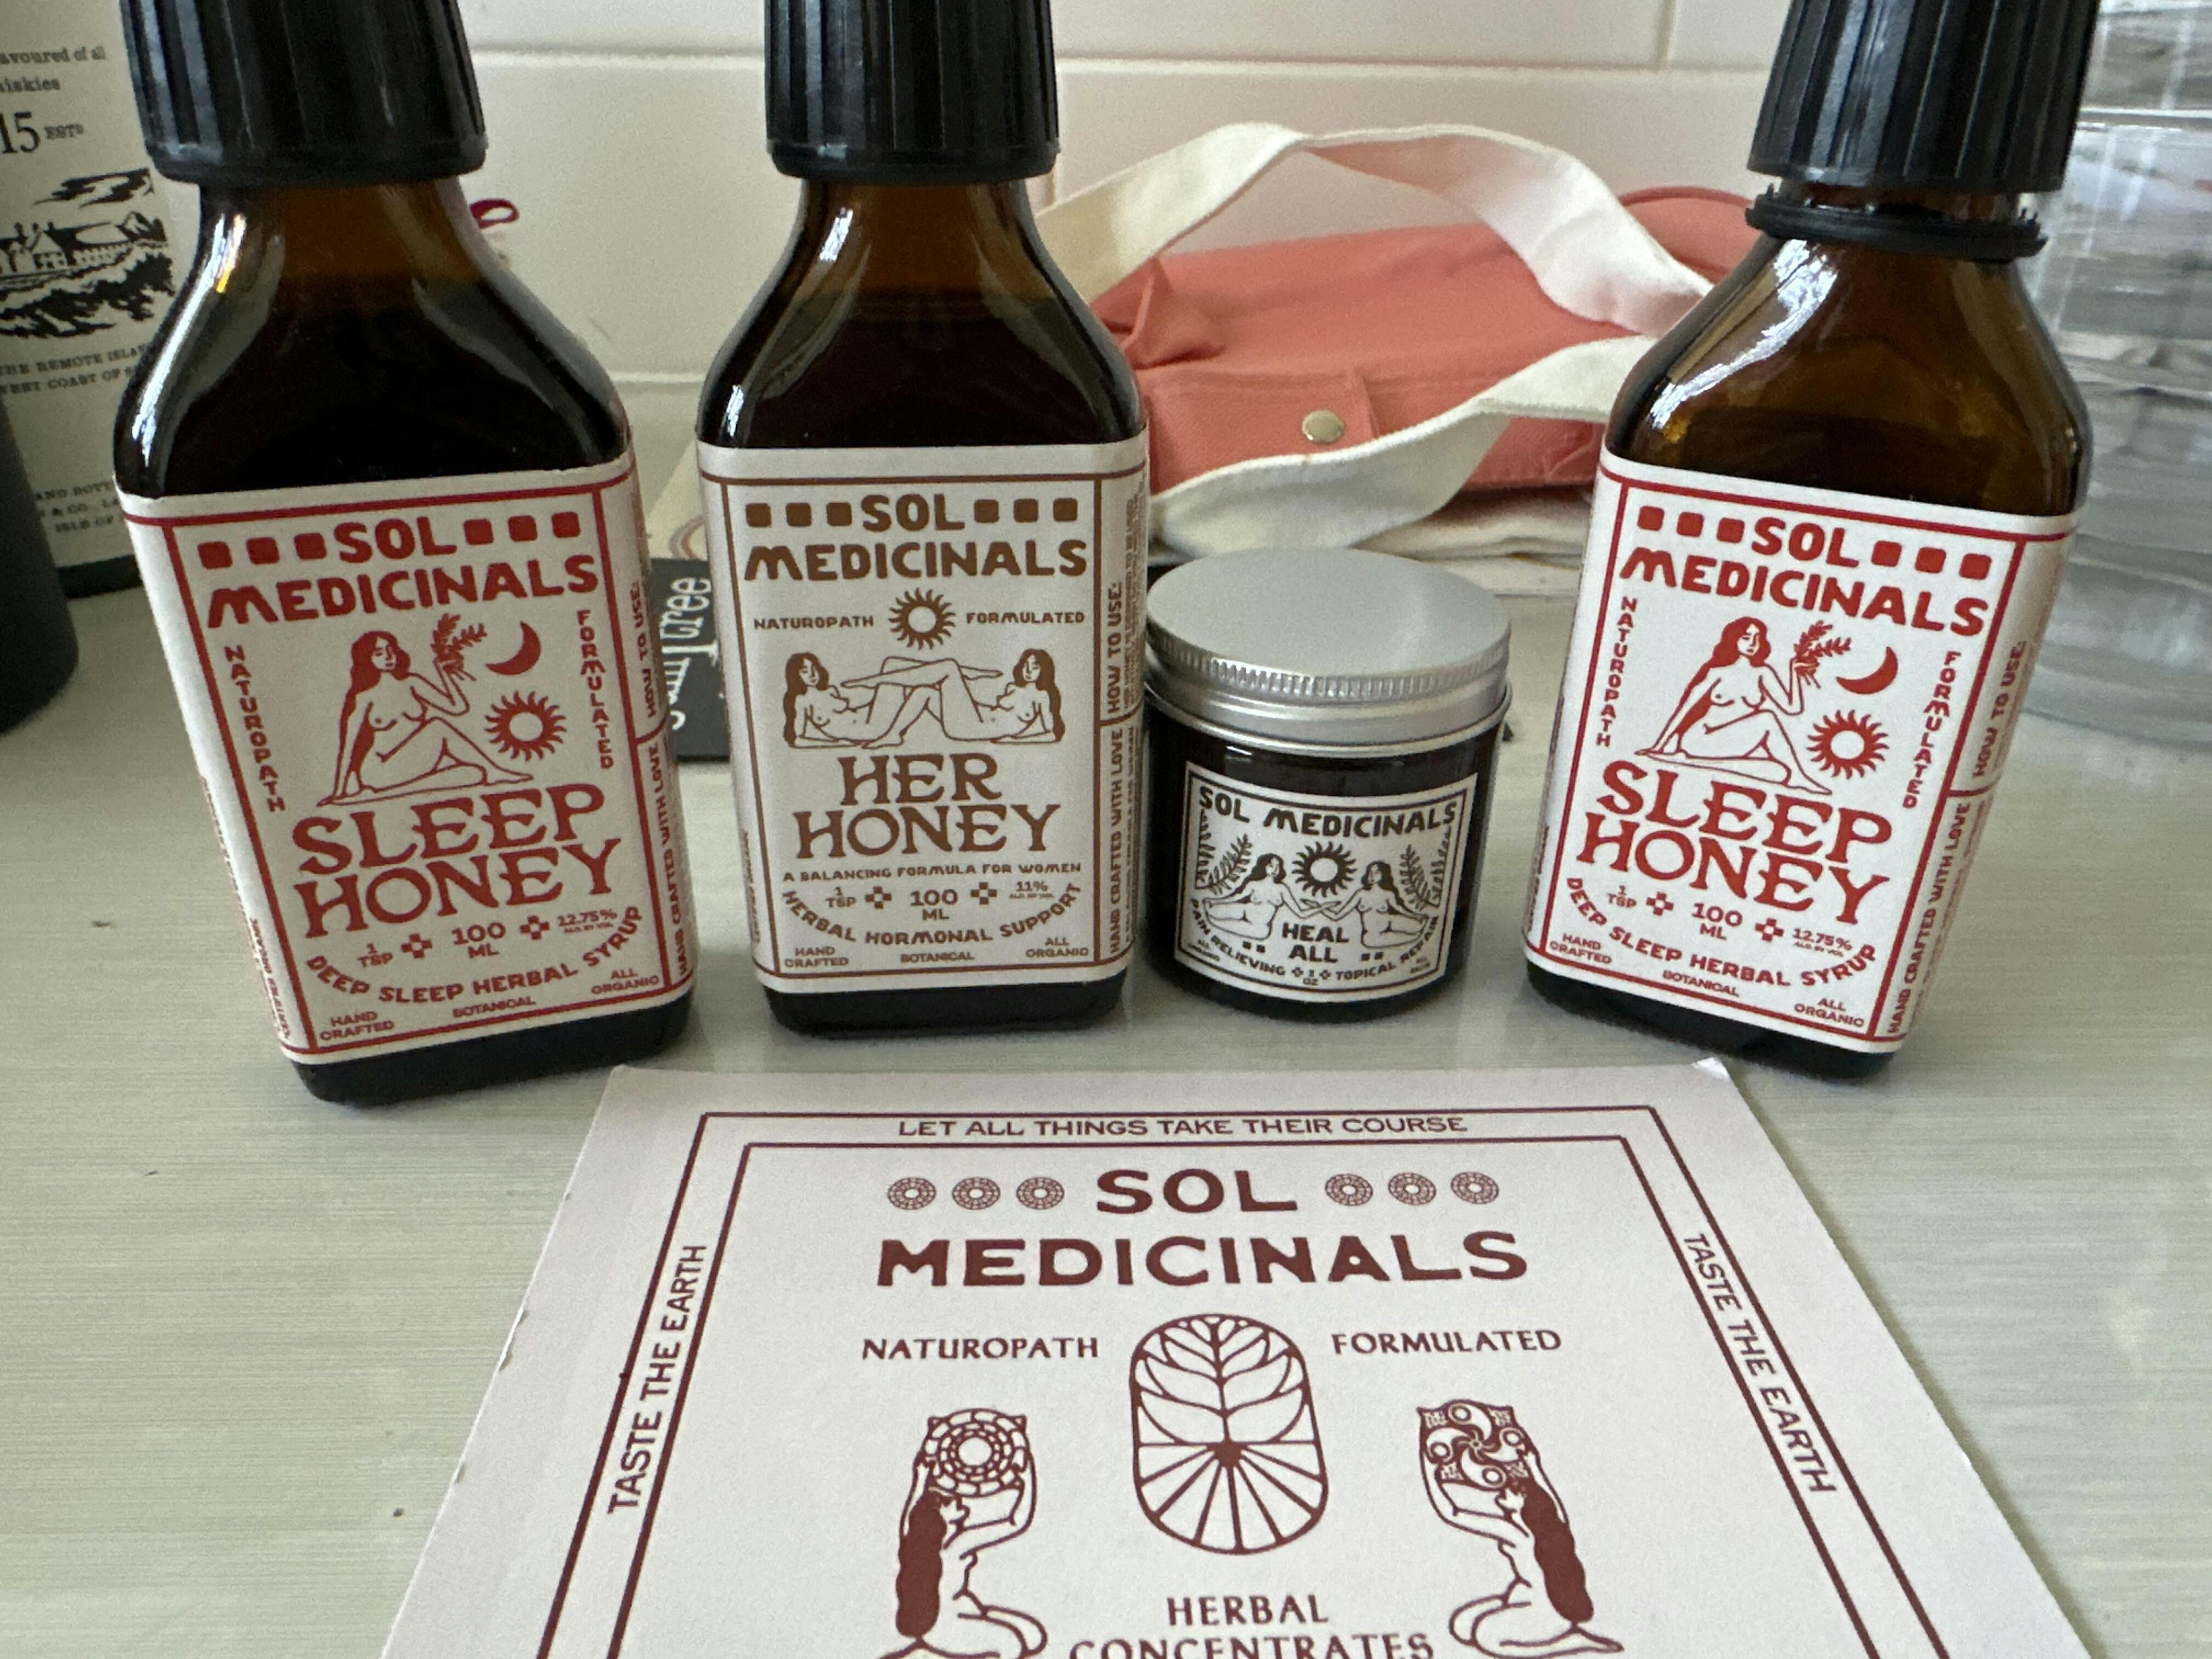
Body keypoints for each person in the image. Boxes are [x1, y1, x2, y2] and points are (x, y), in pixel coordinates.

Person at [1419, 1404, 1620, 1659]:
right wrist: (1534, 1465)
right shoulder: (1551, 1525)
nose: (1504, 1491)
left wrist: (1431, 1472)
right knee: (1461, 1626)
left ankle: (1575, 1641)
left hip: (1547, 1610)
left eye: (1512, 1491)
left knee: (1486, 1638)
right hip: (1523, 1597)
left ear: (1524, 1502)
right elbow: (1553, 1500)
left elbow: (1453, 1514)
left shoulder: (1518, 1534)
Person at [324, 629, 527, 803]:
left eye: (390, 650)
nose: (388, 656)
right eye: (379, 653)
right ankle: (495, 772)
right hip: (379, 770)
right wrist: (339, 792)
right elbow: (348, 746)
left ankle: (387, 794)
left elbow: (457, 708)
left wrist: (443, 673)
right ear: (367, 659)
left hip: (411, 762)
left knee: (475, 774)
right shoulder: (363, 698)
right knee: (437, 726)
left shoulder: (412, 683)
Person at [883, 1443, 1045, 1659]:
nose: (958, 1499)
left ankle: (920, 1651)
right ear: (938, 1515)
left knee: (1032, 1637)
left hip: (962, 1610)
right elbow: (1015, 1522)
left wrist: (921, 1478)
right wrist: (1026, 1476)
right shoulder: (956, 1547)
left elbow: (908, 1520)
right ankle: (922, 1652)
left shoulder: (916, 1542)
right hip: (944, 1622)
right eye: (948, 1500)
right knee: (1012, 1645)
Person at [1641, 616, 1830, 795]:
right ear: (1734, 640)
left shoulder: (1763, 673)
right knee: (1767, 718)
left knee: (1779, 771)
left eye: (1757, 638)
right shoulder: (1717, 673)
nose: (1753, 644)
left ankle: (1694, 762)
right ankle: (1797, 776)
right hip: (1701, 739)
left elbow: (1793, 709)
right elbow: (1686, 708)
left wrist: (1794, 672)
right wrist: (1660, 745)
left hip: (1733, 741)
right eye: (1746, 638)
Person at [845, 647, 1063, 748]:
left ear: (1044, 669)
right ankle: (894, 734)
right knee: (920, 688)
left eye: (1035, 666)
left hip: (973, 728)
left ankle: (875, 681)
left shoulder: (1042, 697)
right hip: (971, 718)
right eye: (1026, 665)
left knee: (949, 668)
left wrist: (1015, 740)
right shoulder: (1013, 688)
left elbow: (1051, 734)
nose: (1029, 670)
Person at [782, 650, 907, 746]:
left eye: (814, 669)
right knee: (897, 672)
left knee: (892, 663)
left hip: (871, 719)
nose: (812, 675)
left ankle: (922, 674)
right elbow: (798, 740)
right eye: (805, 671)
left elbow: (864, 699)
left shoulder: (830, 690)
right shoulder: (802, 701)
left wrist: (868, 688)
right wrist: (836, 743)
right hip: (872, 730)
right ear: (796, 676)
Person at [1200, 854, 1321, 943]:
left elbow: (1300, 913)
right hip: (1245, 911)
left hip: (1259, 928)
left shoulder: (1282, 889)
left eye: (1278, 867)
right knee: (1213, 912)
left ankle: (1214, 920)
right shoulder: (1254, 884)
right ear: (1264, 867)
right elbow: (1237, 897)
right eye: (1271, 866)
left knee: (1216, 922)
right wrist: (1215, 901)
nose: (1275, 870)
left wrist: (1323, 907)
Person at [1330, 860, 1430, 948]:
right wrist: (1322, 909)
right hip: (1373, 935)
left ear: (1383, 875)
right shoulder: (1361, 894)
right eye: (1370, 872)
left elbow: (1399, 909)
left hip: (1391, 922)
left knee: (1418, 927)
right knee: (1413, 937)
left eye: (1377, 872)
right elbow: (1337, 916)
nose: (1372, 876)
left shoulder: (1388, 894)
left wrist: (1415, 915)